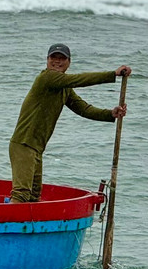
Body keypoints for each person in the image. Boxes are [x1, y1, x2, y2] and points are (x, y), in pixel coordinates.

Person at [8, 43, 131, 203]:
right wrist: (112, 74)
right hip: (23, 145)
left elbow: (84, 109)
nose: (57, 62)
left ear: (69, 62)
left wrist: (110, 114)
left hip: (36, 149)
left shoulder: (64, 88)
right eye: (54, 58)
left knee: (33, 198)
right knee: (21, 195)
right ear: (47, 60)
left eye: (62, 59)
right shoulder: (47, 78)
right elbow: (79, 79)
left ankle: (30, 227)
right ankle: (5, 225)